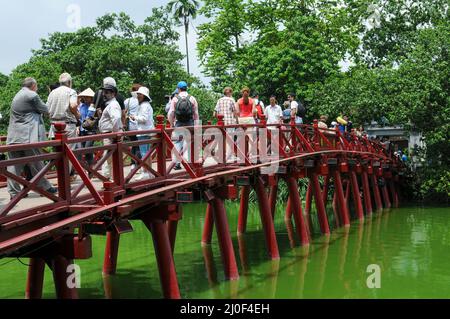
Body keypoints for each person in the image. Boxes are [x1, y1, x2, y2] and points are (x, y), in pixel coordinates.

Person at [6, 77, 57, 199]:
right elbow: (46, 109)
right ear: (34, 86)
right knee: (36, 162)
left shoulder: (18, 94)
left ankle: (14, 193)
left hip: (13, 137)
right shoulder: (32, 95)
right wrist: (51, 95)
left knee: (13, 166)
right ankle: (45, 188)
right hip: (27, 137)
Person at [47, 73, 80, 182]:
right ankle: (65, 180)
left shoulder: (52, 93)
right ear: (70, 82)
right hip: (67, 126)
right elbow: (73, 105)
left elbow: (47, 109)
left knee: (57, 154)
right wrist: (77, 115)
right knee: (68, 153)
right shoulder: (71, 91)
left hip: (54, 126)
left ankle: (63, 177)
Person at [168, 81, 199, 170]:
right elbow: (196, 113)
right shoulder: (192, 98)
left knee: (177, 143)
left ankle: (176, 164)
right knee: (188, 142)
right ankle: (187, 162)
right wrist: (196, 124)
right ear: (186, 88)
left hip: (179, 123)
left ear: (178, 89)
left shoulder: (175, 98)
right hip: (189, 123)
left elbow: (171, 113)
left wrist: (171, 123)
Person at [98, 82, 123, 178]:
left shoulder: (113, 105)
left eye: (107, 92)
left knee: (110, 156)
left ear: (113, 94)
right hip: (110, 134)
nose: (104, 94)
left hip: (111, 134)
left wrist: (114, 133)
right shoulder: (110, 104)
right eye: (104, 92)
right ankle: (109, 177)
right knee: (110, 156)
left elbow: (116, 119)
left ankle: (110, 178)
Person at [129, 86, 154, 180]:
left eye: (140, 94)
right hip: (146, 131)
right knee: (147, 153)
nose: (138, 96)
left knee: (144, 153)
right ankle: (149, 172)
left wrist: (135, 117)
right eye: (138, 94)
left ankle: (145, 172)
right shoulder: (146, 105)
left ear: (144, 96)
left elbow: (144, 119)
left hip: (144, 132)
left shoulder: (144, 105)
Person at [77, 88, 97, 168]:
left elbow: (89, 116)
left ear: (91, 98)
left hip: (91, 131)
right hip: (82, 131)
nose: (85, 98)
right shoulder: (81, 106)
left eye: (87, 97)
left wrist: (92, 107)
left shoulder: (94, 106)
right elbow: (79, 118)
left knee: (87, 149)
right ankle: (89, 169)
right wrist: (77, 127)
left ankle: (90, 168)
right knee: (82, 150)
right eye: (84, 96)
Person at [124, 84, 142, 169]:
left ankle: (132, 164)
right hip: (139, 126)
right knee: (138, 146)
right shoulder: (141, 100)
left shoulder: (128, 100)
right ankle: (137, 163)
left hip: (130, 127)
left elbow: (124, 112)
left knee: (133, 145)